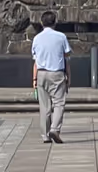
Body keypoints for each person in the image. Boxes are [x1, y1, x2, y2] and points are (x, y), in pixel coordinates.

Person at [32, 11, 71, 143]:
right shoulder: (61, 37)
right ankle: (54, 128)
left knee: (44, 106)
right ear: (55, 22)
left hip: (41, 73)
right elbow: (67, 56)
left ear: (42, 23)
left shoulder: (36, 38)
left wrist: (34, 80)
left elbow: (35, 61)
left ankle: (45, 135)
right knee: (59, 103)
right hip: (56, 73)